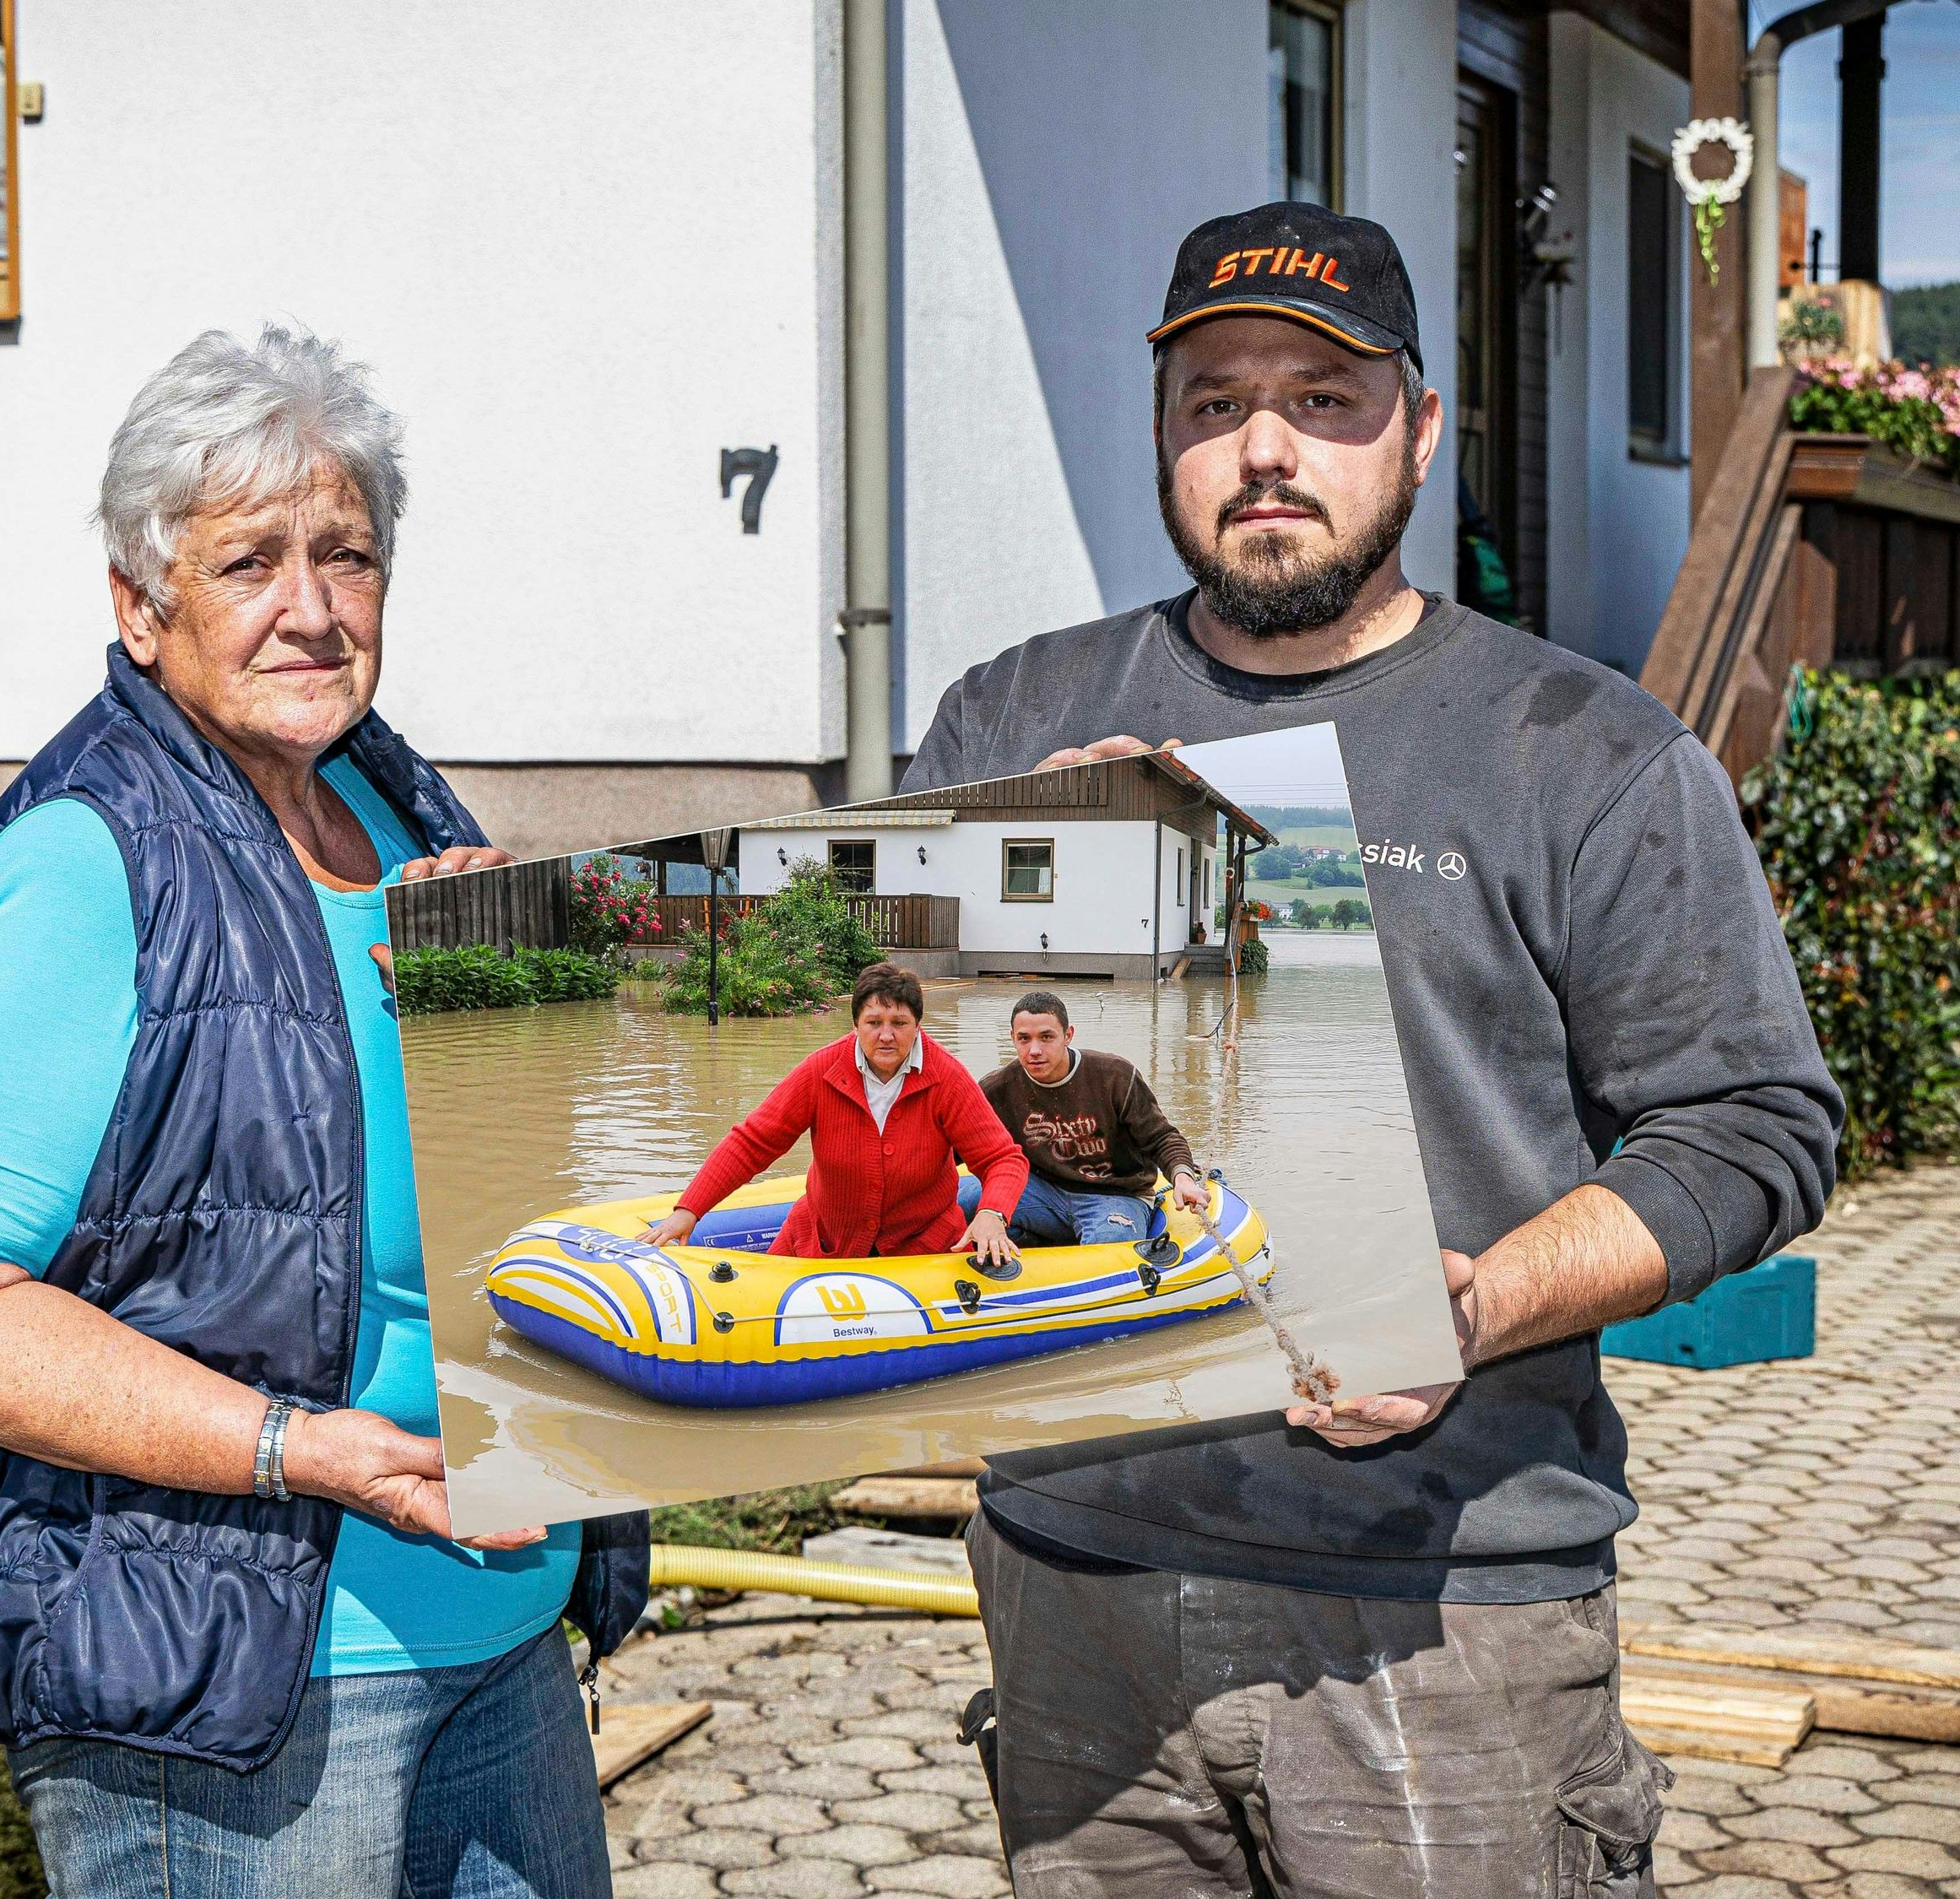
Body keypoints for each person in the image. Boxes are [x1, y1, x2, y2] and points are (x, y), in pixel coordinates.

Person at [907, 203, 1843, 1896]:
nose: (1263, 448)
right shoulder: (1010, 722)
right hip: (1070, 1578)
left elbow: (1746, 1130)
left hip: (1440, 1602)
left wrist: (1472, 1307)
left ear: (1419, 432)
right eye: (1212, 401)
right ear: (1161, 438)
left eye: (1323, 402)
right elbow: (884, 1078)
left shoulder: (1584, 754)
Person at [0, 323, 643, 1896]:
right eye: (250, 560)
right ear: (142, 609)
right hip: (235, 1686)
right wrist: (295, 1449)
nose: (312, 608)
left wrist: (530, 1011)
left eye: (347, 555)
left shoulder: (406, 817)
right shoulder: (89, 862)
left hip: (505, 1625)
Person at [645, 962, 1032, 1274]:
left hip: (922, 1251)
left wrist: (991, 1214)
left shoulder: (947, 1077)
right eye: (874, 1022)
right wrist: (689, 1209)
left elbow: (1001, 1158)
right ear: (855, 1025)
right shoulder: (821, 1070)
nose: (886, 1035)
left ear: (917, 1028)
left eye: (899, 1024)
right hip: (823, 1244)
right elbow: (754, 1142)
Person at [978, 991, 1210, 1247]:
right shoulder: (996, 1089)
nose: (1034, 1050)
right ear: (1012, 1038)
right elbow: (958, 1146)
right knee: (963, 1198)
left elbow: (1162, 1138)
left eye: (1046, 1037)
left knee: (1111, 1241)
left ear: (1068, 1035)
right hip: (1040, 1192)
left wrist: (1183, 1178)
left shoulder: (1115, 1076)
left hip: (1116, 1195)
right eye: (1024, 1039)